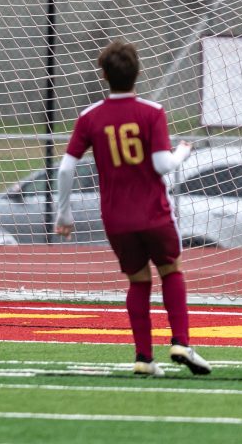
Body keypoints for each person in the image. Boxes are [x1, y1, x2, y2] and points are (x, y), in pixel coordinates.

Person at [55, 41, 210, 377]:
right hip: (153, 213)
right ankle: (181, 342)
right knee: (171, 270)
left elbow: (66, 168)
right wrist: (183, 151)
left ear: (103, 75)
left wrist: (63, 213)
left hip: (116, 219)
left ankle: (143, 357)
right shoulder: (151, 112)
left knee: (138, 281)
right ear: (138, 72)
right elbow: (162, 164)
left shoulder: (89, 117)